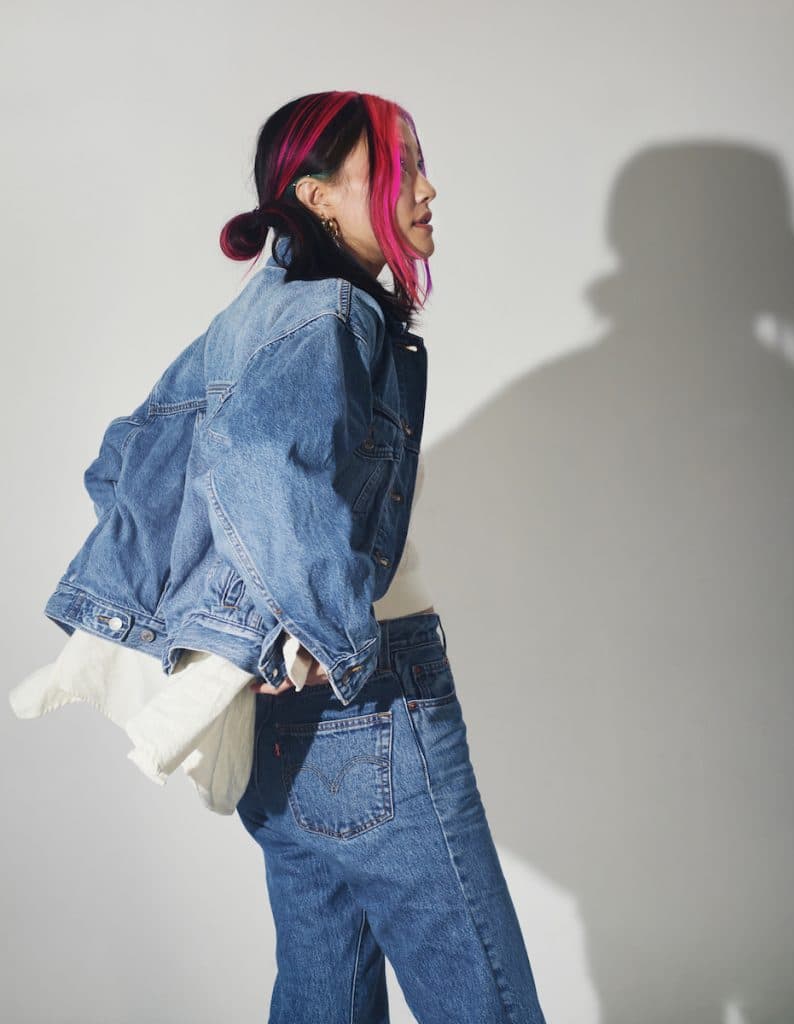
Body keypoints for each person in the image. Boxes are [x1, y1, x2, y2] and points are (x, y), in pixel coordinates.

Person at [218, 92, 547, 1023]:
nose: (427, 188)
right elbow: (257, 464)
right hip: (376, 700)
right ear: (318, 195)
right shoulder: (333, 313)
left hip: (278, 725)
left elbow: (135, 461)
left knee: (322, 1000)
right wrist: (334, 635)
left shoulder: (251, 317)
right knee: (482, 1002)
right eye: (401, 167)